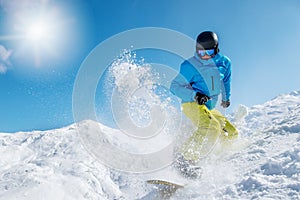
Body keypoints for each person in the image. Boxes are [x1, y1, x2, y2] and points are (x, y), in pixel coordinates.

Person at [170, 31, 238, 178]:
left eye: (209, 51)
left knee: (231, 133)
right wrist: (194, 95)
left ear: (217, 49)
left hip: (209, 107)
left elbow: (226, 81)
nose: (205, 55)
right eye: (201, 52)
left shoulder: (225, 63)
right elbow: (174, 86)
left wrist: (226, 98)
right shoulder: (189, 66)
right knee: (211, 127)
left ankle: (221, 157)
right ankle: (183, 159)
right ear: (196, 50)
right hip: (191, 103)